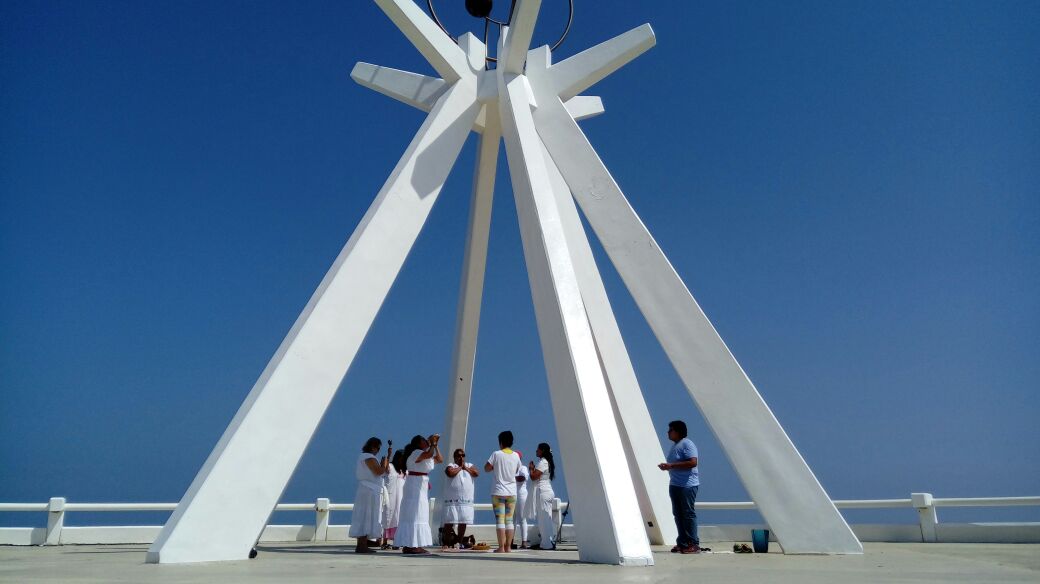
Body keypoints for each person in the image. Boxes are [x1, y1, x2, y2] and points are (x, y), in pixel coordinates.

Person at [658, 420, 701, 554]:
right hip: (675, 484)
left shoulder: (687, 444)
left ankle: (693, 543)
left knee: (688, 514)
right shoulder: (676, 445)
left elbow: (693, 462)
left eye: (670, 430)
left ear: (678, 431)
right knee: (678, 514)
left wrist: (671, 466)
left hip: (687, 485)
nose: (668, 433)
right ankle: (682, 543)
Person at [396, 434, 443, 554]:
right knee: (415, 513)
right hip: (415, 485)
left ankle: (410, 544)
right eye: (423, 440)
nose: (425, 441)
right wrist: (431, 444)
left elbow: (439, 459)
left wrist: (435, 445)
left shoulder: (423, 455)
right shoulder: (416, 452)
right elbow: (428, 454)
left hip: (419, 485)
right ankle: (413, 545)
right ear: (418, 443)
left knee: (416, 513)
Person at [349, 437, 390, 553]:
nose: (378, 450)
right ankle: (361, 545)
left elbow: (381, 472)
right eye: (378, 448)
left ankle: (363, 544)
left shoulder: (364, 457)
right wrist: (384, 464)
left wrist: (383, 464)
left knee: (366, 515)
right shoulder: (368, 457)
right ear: (373, 447)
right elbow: (378, 471)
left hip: (368, 490)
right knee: (366, 515)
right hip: (369, 491)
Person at [484, 430, 521, 553]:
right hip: (512, 492)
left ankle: (501, 547)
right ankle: (508, 547)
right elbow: (517, 470)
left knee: (500, 519)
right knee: (509, 520)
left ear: (500, 442)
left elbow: (487, 468)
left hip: (498, 491)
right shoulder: (516, 455)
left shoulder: (496, 454)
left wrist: (496, 467)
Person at [442, 448, 478, 549]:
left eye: (463, 455)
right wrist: (460, 467)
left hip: (465, 500)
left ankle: (459, 541)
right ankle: (446, 542)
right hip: (452, 500)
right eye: (458, 455)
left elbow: (476, 473)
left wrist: (465, 468)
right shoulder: (451, 465)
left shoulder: (469, 466)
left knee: (463, 521)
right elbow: (450, 473)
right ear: (454, 457)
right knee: (449, 521)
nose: (461, 457)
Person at [528, 442, 556, 550]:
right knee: (546, 518)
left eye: (538, 449)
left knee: (543, 519)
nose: (536, 451)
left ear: (542, 451)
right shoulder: (546, 462)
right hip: (547, 491)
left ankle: (547, 544)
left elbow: (534, 477)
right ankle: (548, 541)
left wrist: (531, 469)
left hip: (543, 492)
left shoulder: (543, 462)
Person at [380, 448, 406, 549]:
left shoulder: (404, 470)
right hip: (390, 496)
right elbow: (384, 468)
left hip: (401, 497)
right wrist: (388, 455)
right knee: (388, 517)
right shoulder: (390, 466)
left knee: (398, 517)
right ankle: (385, 542)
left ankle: (397, 541)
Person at [513, 451, 530, 549]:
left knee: (522, 519)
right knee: (511, 520)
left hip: (521, 495)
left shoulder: (523, 468)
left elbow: (522, 478)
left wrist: (511, 476)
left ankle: (524, 542)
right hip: (512, 495)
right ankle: (510, 541)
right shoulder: (511, 468)